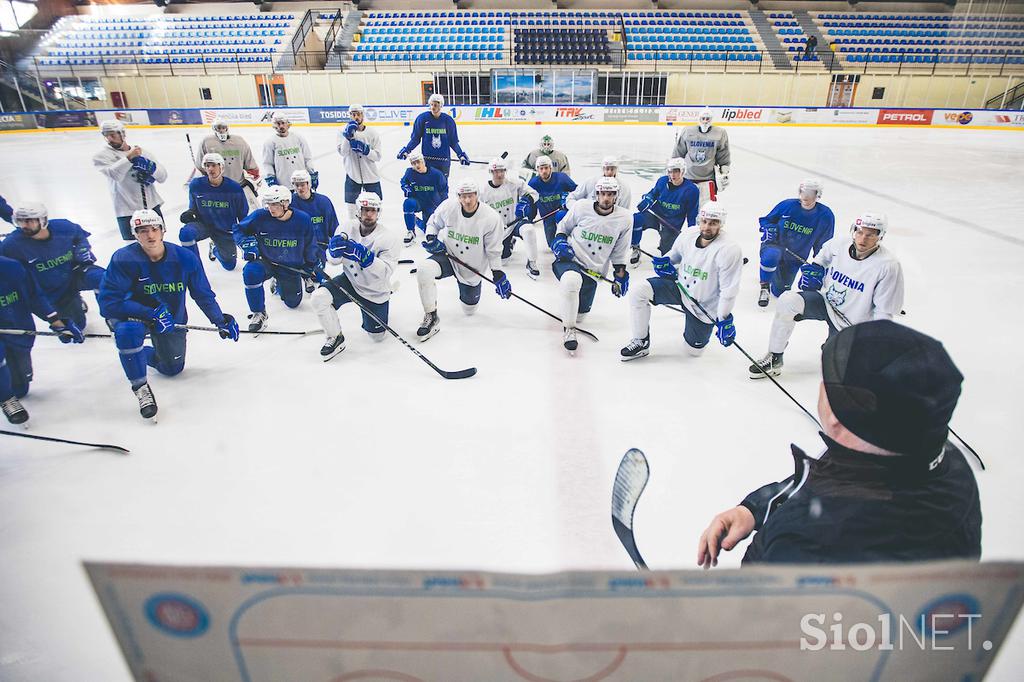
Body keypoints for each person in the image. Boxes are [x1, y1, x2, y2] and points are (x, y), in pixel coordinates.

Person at [698, 320, 981, 567]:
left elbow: (758, 618)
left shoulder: (807, 544)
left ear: (833, 417)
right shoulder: (943, 461)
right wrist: (755, 508)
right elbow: (830, 475)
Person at [97, 209, 238, 420]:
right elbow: (108, 303)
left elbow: (202, 294)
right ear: (134, 234)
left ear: (163, 231)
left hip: (171, 319)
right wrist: (151, 313)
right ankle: (140, 386)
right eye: (142, 230)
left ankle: (134, 353)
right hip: (133, 315)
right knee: (128, 332)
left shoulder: (185, 258)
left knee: (172, 368)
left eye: (154, 229)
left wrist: (220, 320)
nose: (150, 235)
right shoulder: (124, 259)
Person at [749, 212, 904, 379]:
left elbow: (884, 312)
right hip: (827, 303)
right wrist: (815, 272)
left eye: (870, 235)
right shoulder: (839, 244)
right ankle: (774, 357)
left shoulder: (888, 266)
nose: (863, 239)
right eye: (859, 232)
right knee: (788, 300)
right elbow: (820, 261)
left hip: (852, 323)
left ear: (880, 236)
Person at [621, 201, 742, 361]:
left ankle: (694, 324)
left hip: (704, 305)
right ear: (700, 220)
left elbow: (728, 291)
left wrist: (723, 319)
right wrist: (664, 262)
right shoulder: (689, 234)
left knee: (693, 352)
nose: (707, 227)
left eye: (713, 223)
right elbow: (674, 255)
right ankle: (641, 341)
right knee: (638, 291)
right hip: (679, 287)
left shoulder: (729, 249)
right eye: (704, 221)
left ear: (721, 224)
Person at [414, 179, 510, 341]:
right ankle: (431, 316)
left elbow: (493, 249)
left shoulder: (491, 218)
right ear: (458, 196)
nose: (466, 200)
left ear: (477, 195)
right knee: (424, 270)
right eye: (463, 196)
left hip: (471, 268)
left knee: (469, 310)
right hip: (448, 256)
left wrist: (498, 272)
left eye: (470, 196)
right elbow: (434, 222)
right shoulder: (449, 207)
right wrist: (431, 238)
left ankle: (469, 294)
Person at [311, 192, 399, 361]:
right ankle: (335, 337)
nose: (369, 214)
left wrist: (366, 257)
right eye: (365, 210)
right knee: (318, 298)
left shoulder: (389, 238)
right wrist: (333, 252)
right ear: (358, 211)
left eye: (373, 210)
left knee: (377, 337)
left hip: (375, 290)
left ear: (378, 212)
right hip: (350, 280)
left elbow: (385, 272)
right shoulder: (346, 227)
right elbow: (333, 260)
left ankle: (387, 298)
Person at [551, 177, 631, 354]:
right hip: (570, 261)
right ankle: (569, 330)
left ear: (616, 196)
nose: (606, 198)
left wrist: (621, 273)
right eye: (603, 194)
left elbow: (619, 251)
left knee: (580, 316)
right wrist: (559, 242)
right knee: (571, 281)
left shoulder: (625, 218)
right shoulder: (581, 207)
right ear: (597, 194)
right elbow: (562, 228)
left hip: (593, 272)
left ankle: (570, 308)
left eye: (610, 194)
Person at [0, 255, 83, 425]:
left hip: (16, 329)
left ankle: (11, 389)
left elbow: (34, 296)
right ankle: (6, 398)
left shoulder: (12, 268)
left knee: (20, 388)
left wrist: (57, 322)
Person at [1, 202, 105, 330]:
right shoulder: (11, 246)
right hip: (53, 291)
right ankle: (74, 301)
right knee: (77, 326)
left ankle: (113, 316)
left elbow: (79, 235)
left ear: (43, 220)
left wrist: (82, 248)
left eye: (29, 221)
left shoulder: (63, 227)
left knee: (103, 278)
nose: (24, 225)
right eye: (20, 221)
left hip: (74, 273)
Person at [235, 186, 319, 332]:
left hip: (290, 266)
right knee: (250, 272)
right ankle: (258, 313)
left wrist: (310, 265)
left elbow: (310, 245)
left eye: (274, 204)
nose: (271, 208)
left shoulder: (302, 219)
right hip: (267, 262)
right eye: (268, 204)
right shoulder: (260, 216)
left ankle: (280, 282)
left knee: (293, 303)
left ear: (286, 203)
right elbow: (239, 229)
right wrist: (247, 245)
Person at [757, 178, 835, 307]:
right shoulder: (787, 205)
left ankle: (771, 273)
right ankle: (764, 285)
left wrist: (818, 265)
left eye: (810, 193)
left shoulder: (825, 215)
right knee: (771, 256)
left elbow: (823, 245)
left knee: (779, 291)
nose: (806, 196)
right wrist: (768, 229)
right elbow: (766, 220)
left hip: (794, 258)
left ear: (817, 195)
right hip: (774, 245)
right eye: (803, 192)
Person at [92, 120, 167, 241]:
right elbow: (115, 174)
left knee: (158, 242)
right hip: (126, 211)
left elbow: (163, 177)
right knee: (132, 247)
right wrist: (129, 158)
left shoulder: (142, 152)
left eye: (113, 134)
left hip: (151, 206)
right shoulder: (102, 156)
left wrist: (152, 169)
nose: (110, 138)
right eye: (106, 135)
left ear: (122, 134)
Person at [179, 153, 249, 271]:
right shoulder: (196, 185)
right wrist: (190, 214)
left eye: (214, 165)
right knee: (186, 233)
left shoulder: (234, 188)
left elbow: (243, 214)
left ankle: (215, 249)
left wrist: (244, 234)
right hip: (204, 225)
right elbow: (193, 208)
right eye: (207, 165)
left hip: (225, 229)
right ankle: (193, 267)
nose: (210, 169)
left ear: (221, 167)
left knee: (229, 265)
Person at [477, 157, 541, 279]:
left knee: (529, 230)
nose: (499, 174)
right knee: (503, 261)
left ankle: (532, 262)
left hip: (516, 222)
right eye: (496, 171)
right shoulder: (483, 191)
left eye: (502, 171)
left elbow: (535, 194)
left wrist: (526, 201)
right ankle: (509, 243)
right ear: (491, 172)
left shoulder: (515, 183)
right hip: (498, 229)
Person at [630, 157, 699, 265]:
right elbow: (652, 194)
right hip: (655, 216)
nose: (672, 175)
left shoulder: (691, 190)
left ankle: (665, 245)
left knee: (668, 255)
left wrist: (691, 233)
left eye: (676, 171)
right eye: (670, 171)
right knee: (635, 219)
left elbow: (692, 214)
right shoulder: (662, 181)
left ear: (683, 171)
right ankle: (635, 247)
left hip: (671, 224)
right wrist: (647, 199)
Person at [397, 93, 469, 177]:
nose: (433, 107)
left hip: (443, 162)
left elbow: (453, 141)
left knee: (442, 187)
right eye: (431, 104)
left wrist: (460, 154)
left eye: (435, 105)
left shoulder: (448, 121)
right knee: (429, 186)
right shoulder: (422, 118)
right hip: (427, 161)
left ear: (441, 105)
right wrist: (407, 150)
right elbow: (415, 139)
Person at [672, 107, 730, 206]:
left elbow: (723, 153)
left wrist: (724, 171)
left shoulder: (720, 133)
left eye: (707, 119)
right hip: (688, 177)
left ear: (711, 119)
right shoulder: (687, 131)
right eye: (703, 118)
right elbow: (679, 152)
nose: (705, 121)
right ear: (699, 119)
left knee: (707, 207)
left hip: (708, 179)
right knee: (686, 206)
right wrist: (674, 168)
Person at [195, 119, 260, 205]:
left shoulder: (239, 141)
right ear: (214, 129)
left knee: (248, 214)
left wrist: (253, 180)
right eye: (218, 128)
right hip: (218, 189)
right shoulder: (207, 142)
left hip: (240, 186)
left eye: (223, 127)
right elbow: (201, 167)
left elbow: (251, 165)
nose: (221, 130)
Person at [336, 103, 383, 219]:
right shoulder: (342, 131)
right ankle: (353, 229)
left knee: (376, 203)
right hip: (352, 175)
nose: (356, 117)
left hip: (371, 175)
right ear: (350, 115)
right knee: (351, 208)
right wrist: (348, 137)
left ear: (363, 115)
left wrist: (367, 151)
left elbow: (378, 156)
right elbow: (343, 153)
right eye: (353, 114)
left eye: (359, 114)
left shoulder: (372, 133)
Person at [289, 169, 340, 272]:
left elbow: (334, 227)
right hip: (298, 248)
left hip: (319, 247)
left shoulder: (323, 202)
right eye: (296, 185)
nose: (299, 188)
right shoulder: (290, 202)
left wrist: (337, 244)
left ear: (309, 184)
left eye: (302, 184)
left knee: (317, 276)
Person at [399, 151, 448, 247]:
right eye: (413, 163)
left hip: (432, 204)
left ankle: (416, 221)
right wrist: (407, 189)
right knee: (408, 203)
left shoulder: (436, 174)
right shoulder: (409, 172)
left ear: (423, 161)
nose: (416, 165)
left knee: (428, 230)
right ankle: (411, 231)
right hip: (419, 201)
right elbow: (403, 182)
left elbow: (444, 191)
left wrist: (444, 208)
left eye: (418, 162)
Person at [526, 155, 576, 249]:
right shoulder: (533, 183)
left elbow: (576, 192)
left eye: (546, 168)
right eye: (541, 168)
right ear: (537, 170)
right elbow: (530, 203)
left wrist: (568, 199)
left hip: (562, 213)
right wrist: (530, 218)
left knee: (566, 237)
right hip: (547, 216)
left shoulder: (562, 178)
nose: (544, 171)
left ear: (550, 168)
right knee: (552, 244)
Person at [261, 112, 317, 191]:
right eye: (278, 124)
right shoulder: (270, 142)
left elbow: (307, 157)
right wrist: (271, 178)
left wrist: (311, 173)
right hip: (284, 184)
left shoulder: (298, 137)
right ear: (274, 125)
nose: (281, 126)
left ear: (288, 123)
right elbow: (267, 163)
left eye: (283, 123)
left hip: (302, 182)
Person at [566, 156, 632, 211]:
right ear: (603, 169)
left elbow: (625, 210)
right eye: (607, 169)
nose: (609, 172)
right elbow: (571, 198)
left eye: (612, 169)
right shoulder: (590, 182)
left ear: (616, 169)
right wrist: (579, 211)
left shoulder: (625, 188)